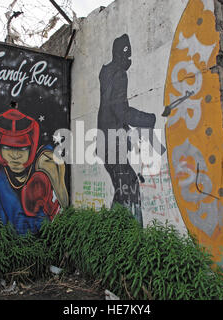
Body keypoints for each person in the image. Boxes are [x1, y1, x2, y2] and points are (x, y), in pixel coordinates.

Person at [0, 108, 68, 235]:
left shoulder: (45, 165)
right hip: (7, 247)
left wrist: (51, 205)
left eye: (23, 148)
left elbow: (62, 220)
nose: (15, 156)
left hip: (42, 246)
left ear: (31, 148)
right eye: (7, 148)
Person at [97, 34, 157, 227]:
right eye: (127, 54)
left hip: (107, 141)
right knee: (128, 187)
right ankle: (128, 235)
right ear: (121, 54)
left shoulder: (107, 73)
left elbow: (113, 111)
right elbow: (121, 111)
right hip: (112, 143)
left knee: (125, 188)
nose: (129, 58)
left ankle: (114, 233)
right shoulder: (119, 74)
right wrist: (149, 119)